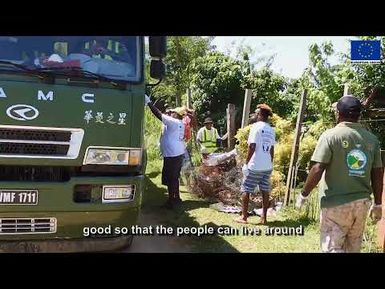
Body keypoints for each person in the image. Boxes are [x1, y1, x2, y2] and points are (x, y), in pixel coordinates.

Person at [296, 95, 383, 253]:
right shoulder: (372, 140)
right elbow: (378, 173)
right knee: (353, 249)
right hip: (361, 204)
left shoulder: (330, 136)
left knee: (332, 248)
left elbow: (318, 168)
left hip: (335, 205)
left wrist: (303, 194)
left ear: (338, 113)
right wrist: (378, 204)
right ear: (359, 115)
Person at [235, 104, 275, 225]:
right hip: (267, 166)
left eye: (256, 113)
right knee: (265, 191)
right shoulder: (270, 129)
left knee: (246, 189)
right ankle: (264, 218)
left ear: (259, 115)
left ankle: (244, 217)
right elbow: (272, 149)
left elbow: (252, 146)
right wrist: (270, 162)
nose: (255, 115)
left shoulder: (255, 127)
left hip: (255, 165)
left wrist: (246, 163)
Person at [145, 94, 186, 209]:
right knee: (174, 178)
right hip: (176, 154)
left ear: (177, 114)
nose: (171, 112)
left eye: (173, 112)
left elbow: (158, 114)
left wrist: (148, 102)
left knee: (171, 178)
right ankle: (176, 198)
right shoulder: (179, 123)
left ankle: (172, 201)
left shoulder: (174, 122)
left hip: (172, 155)